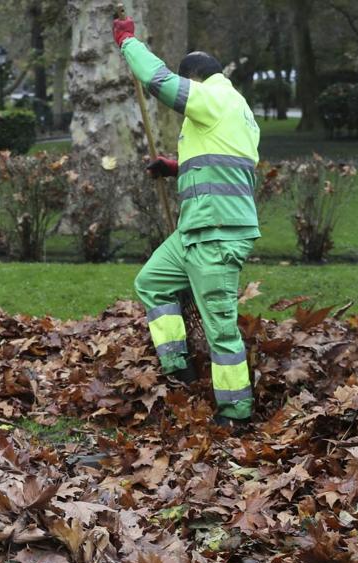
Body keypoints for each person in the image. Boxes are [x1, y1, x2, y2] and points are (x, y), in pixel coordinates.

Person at [114, 16, 259, 430]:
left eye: (188, 84)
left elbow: (156, 80)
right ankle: (179, 368)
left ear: (195, 77)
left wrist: (128, 43)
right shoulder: (239, 112)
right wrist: (177, 168)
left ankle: (236, 413)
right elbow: (229, 164)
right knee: (153, 282)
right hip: (195, 231)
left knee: (221, 328)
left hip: (216, 234)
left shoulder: (213, 98)